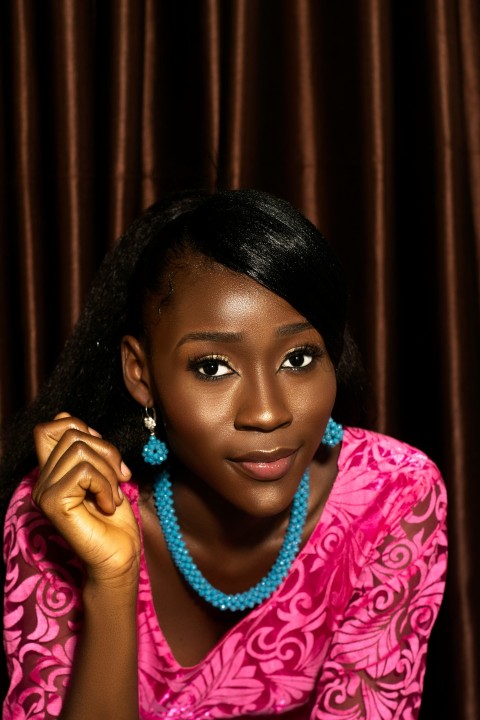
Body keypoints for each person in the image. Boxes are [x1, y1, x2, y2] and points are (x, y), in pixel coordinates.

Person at [0, 189, 447, 720]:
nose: (266, 412)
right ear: (140, 374)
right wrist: (111, 582)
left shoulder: (392, 497)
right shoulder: (58, 513)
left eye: (300, 357)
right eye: (213, 367)